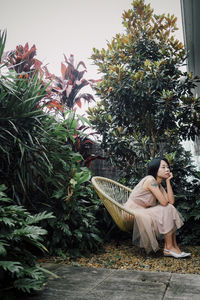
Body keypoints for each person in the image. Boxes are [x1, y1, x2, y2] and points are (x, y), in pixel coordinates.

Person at [123, 157, 191, 258]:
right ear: (155, 169)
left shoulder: (158, 185)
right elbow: (164, 203)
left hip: (144, 211)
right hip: (131, 212)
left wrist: (168, 181)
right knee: (167, 208)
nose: (167, 170)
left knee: (170, 208)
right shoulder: (150, 180)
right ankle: (169, 248)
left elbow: (171, 201)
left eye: (168, 167)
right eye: (163, 167)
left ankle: (173, 247)